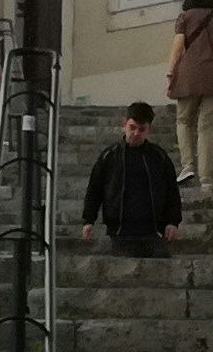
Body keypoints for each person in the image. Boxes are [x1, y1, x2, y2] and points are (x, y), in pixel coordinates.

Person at [77, 101, 183, 256]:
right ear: (125, 124)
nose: (135, 133)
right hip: (120, 232)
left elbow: (172, 191)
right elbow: (95, 189)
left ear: (149, 130)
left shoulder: (159, 157)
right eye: (132, 128)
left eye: (141, 129)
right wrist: (88, 220)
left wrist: (173, 222)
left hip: (153, 231)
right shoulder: (110, 156)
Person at [165, 0, 213, 197]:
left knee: (184, 120)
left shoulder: (185, 18)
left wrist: (170, 73)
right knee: (207, 128)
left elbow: (178, 48)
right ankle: (206, 179)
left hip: (190, 76)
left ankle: (187, 166)